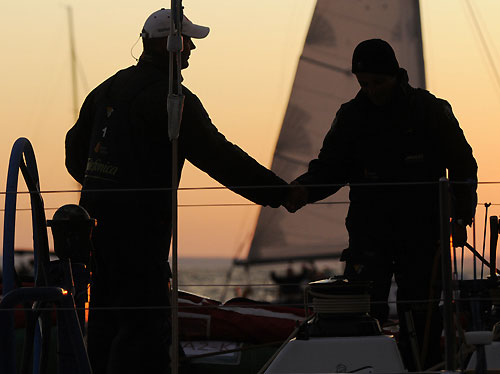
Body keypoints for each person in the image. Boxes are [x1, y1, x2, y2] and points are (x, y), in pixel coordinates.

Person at [65, 8, 287, 373]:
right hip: (141, 236)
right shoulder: (172, 100)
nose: (191, 51)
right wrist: (278, 193)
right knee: (144, 330)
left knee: (105, 323)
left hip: (95, 232)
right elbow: (218, 155)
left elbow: (75, 154)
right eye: (188, 43)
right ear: (172, 46)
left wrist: (101, 182)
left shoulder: (106, 89)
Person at [284, 39, 477, 370]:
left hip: (422, 233)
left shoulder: (430, 110)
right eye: (363, 84)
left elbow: (463, 165)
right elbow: (330, 168)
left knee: (421, 315)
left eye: (378, 82)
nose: (371, 91)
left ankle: (422, 368)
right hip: (368, 234)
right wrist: (301, 190)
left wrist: (460, 218)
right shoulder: (351, 116)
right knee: (360, 312)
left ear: (395, 75)